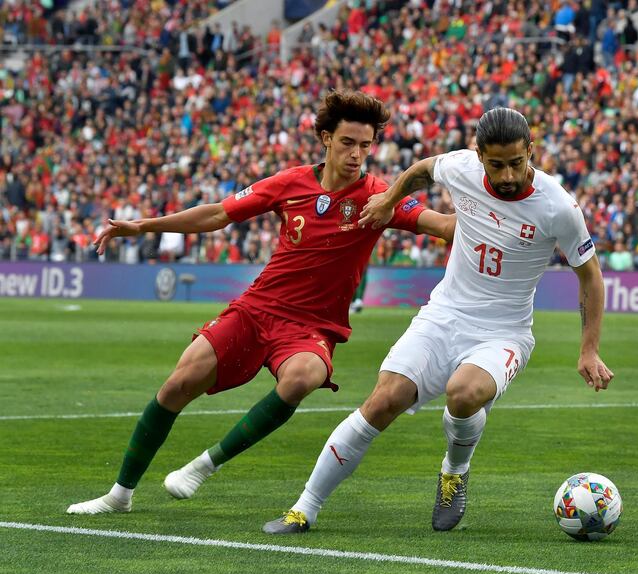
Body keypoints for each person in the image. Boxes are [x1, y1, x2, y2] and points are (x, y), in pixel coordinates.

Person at [66, 90, 455, 515]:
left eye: (365, 145)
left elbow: (442, 227)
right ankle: (119, 494)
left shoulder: (380, 196)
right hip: (258, 308)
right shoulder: (290, 183)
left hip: (311, 327)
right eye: (347, 143)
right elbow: (218, 214)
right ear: (325, 139)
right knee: (178, 382)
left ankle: (203, 465)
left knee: (303, 376)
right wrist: (142, 226)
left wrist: (498, 206)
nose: (357, 154)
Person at [263, 107, 614, 534]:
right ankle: (303, 509)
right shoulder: (461, 167)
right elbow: (422, 170)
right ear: (479, 155)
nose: (506, 176)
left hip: (504, 333)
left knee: (464, 393)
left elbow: (591, 278)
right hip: (443, 314)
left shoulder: (558, 206)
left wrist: (589, 349)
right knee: (383, 400)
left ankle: (454, 471)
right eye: (496, 164)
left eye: (516, 164)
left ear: (531, 152)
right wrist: (390, 200)